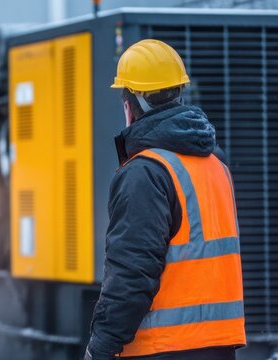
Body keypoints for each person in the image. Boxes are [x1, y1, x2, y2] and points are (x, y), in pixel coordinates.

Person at [84, 39, 246, 360]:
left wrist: (99, 348)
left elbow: (131, 275)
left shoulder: (144, 173)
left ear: (133, 103)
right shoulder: (216, 164)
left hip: (162, 348)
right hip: (220, 346)